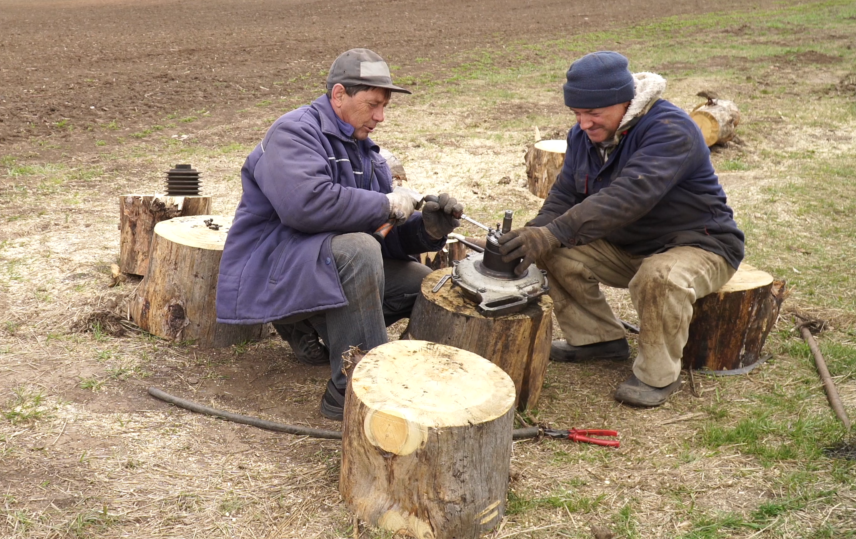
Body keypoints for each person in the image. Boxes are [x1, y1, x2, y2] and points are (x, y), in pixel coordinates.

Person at [215, 49, 462, 420]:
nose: (379, 117)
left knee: (423, 284)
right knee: (359, 252)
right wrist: (384, 203)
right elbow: (305, 206)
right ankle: (354, 388)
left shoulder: (367, 154)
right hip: (273, 266)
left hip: (321, 264)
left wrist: (426, 231)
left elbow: (383, 236)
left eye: (384, 107)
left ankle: (340, 339)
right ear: (339, 95)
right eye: (372, 105)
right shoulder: (294, 132)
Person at [500, 51, 744, 407]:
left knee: (660, 276)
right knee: (552, 250)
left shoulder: (670, 129)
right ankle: (597, 339)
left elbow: (628, 196)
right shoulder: (583, 136)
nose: (584, 123)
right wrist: (533, 236)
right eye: (577, 114)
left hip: (699, 244)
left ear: (625, 102)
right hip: (627, 245)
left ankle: (657, 376)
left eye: (593, 113)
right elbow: (564, 195)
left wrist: (551, 233)